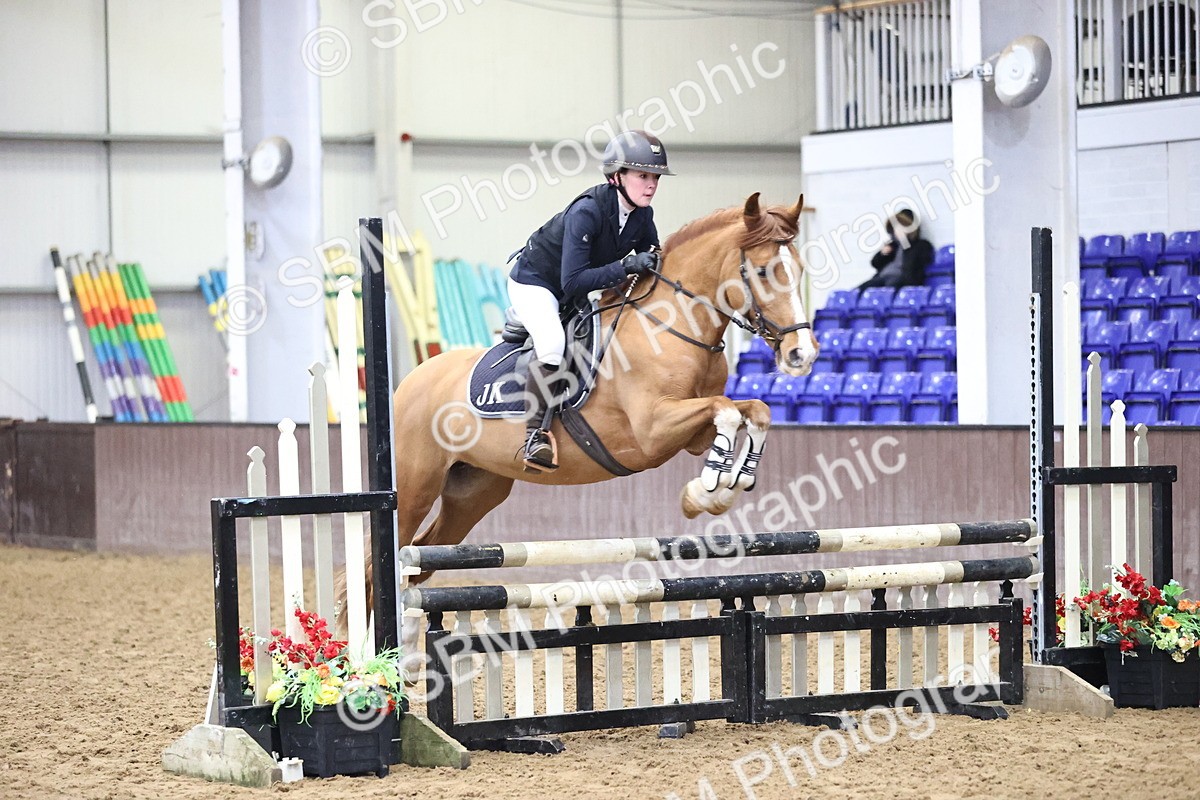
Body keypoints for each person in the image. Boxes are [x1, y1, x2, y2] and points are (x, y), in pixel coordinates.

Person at [506, 130, 672, 471]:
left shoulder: (642, 216)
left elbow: (652, 260)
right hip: (537, 284)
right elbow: (573, 279)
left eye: (655, 177)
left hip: (577, 289)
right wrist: (626, 265)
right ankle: (535, 436)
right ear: (616, 176)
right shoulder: (588, 211)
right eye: (643, 175)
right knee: (552, 342)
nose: (651, 184)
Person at [858, 208, 933, 289]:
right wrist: (882, 254)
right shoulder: (893, 245)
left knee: (888, 289)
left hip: (900, 279)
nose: (898, 231)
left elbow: (919, 268)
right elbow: (875, 263)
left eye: (902, 227)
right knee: (858, 291)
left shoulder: (921, 245)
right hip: (882, 277)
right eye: (896, 228)